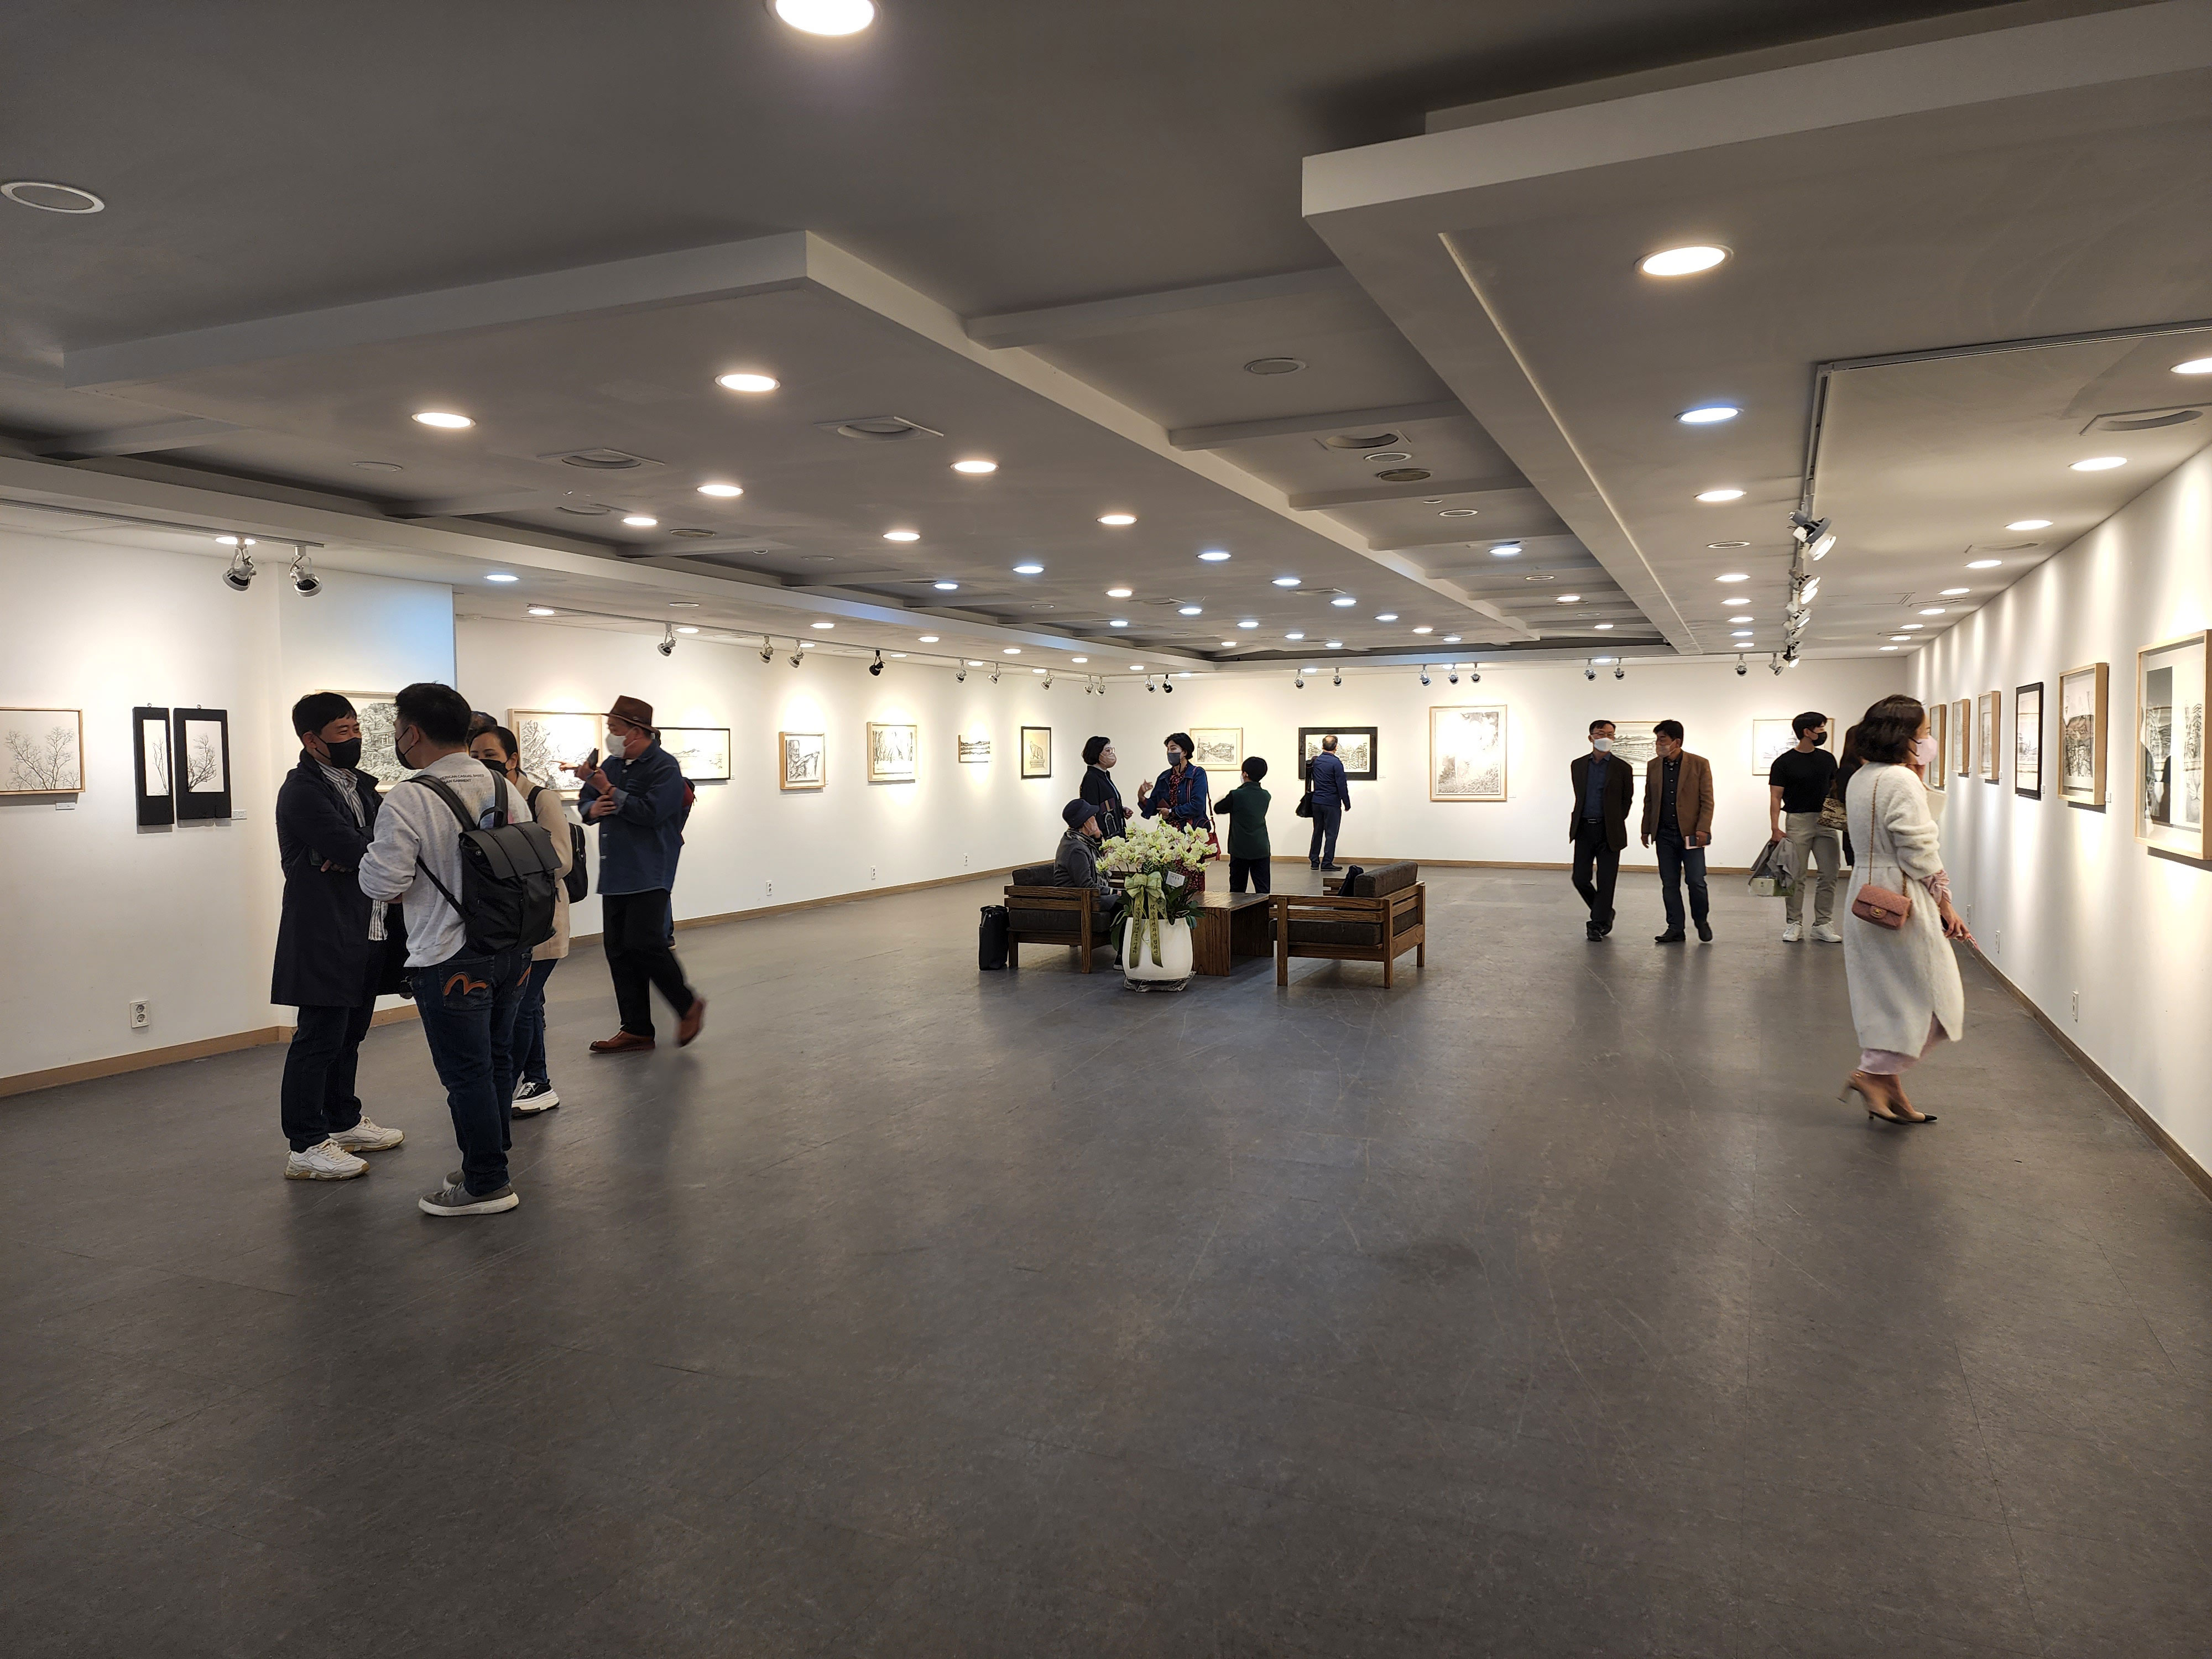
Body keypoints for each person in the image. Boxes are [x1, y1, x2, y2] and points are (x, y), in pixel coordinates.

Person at [357, 682, 534, 1217]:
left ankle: (486, 1182)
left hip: (448, 953)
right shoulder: (504, 787)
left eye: (396, 730)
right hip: (511, 948)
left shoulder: (410, 798)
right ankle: (489, 1159)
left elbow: (382, 883)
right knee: (497, 1059)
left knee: (466, 1073)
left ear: (412, 733)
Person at [272, 693, 406, 1180]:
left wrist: (360, 853)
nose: (355, 738)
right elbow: (354, 847)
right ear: (312, 740)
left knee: (351, 1033)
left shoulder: (360, 786)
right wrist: (359, 852)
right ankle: (305, 1144)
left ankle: (343, 1120)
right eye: (343, 732)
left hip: (369, 926)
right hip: (324, 931)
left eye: (356, 729)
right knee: (318, 1038)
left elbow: (390, 844)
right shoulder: (302, 792)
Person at [1839, 695, 1972, 1124]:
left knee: (1888, 998)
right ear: (1905, 737)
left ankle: (1888, 1085)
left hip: (1866, 893)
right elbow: (1918, 848)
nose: (1928, 740)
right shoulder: (1899, 780)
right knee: (1934, 1000)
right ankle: (1871, 1074)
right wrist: (1945, 901)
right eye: (1924, 733)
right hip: (1901, 896)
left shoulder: (1863, 776)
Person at [575, 695, 705, 1053]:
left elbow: (651, 813)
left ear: (636, 732)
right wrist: (593, 808)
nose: (610, 735)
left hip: (649, 868)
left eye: (615, 728)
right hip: (616, 869)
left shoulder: (665, 767)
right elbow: (585, 801)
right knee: (618, 949)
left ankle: (687, 1005)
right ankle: (636, 1028)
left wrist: (608, 790)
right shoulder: (613, 764)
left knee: (645, 943)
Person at [470, 724, 575, 1114]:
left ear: (513, 759)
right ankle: (536, 1079)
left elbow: (560, 860)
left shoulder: (539, 798)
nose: (482, 763)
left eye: (491, 756)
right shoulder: (481, 798)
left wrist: (504, 867)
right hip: (503, 922)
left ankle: (526, 1082)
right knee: (527, 1003)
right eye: (475, 757)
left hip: (539, 919)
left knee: (524, 1003)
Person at [1769, 711, 1842, 944]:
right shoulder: (1784, 763)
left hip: (1826, 821)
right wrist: (1775, 828)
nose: (1823, 732)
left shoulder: (1828, 759)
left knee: (1829, 874)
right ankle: (1794, 923)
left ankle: (1823, 924)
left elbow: (1835, 790)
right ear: (1807, 732)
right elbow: (1775, 797)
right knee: (1796, 875)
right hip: (1798, 821)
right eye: (1820, 728)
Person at [1640, 720, 1714, 945]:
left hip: (1691, 834)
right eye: (1657, 739)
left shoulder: (1699, 764)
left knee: (1696, 881)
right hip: (1664, 834)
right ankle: (1675, 928)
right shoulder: (1654, 766)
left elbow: (1707, 800)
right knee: (1669, 883)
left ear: (1677, 742)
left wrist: (1703, 828)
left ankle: (1701, 920)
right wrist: (1646, 829)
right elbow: (1649, 800)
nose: (1658, 744)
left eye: (1662, 739)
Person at [1568, 719, 1634, 941]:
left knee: (1607, 881)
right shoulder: (1578, 765)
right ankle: (1605, 913)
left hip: (1609, 831)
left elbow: (1627, 801)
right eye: (1600, 734)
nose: (1605, 738)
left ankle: (1596, 924)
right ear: (1591, 738)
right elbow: (1580, 796)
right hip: (1584, 829)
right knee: (1580, 878)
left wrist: (1614, 821)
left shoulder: (1623, 768)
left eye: (1610, 734)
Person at [1052, 797, 1121, 963]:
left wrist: (1098, 837)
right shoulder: (1076, 849)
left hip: (1084, 896)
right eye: (1093, 817)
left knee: (1126, 898)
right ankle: (1123, 956)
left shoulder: (1078, 840)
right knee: (1123, 902)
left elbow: (1093, 864)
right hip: (1078, 900)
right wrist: (1114, 892)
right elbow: (1087, 885)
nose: (1096, 819)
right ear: (1085, 823)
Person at [1214, 757, 1272, 894]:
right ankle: (1264, 908)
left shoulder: (1236, 795)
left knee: (1237, 890)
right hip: (1261, 847)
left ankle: (1239, 909)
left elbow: (1218, 808)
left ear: (1245, 774)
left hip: (1240, 848)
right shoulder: (1266, 795)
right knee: (1263, 889)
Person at [1139, 731, 1212, 832]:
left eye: (1173, 749)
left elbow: (1198, 806)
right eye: (1168, 749)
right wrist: (1141, 797)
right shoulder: (1164, 777)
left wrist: (1171, 812)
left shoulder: (1197, 774)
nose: (1169, 753)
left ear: (1185, 752)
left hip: (1192, 833)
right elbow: (1154, 808)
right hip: (1168, 833)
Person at [1304, 735, 1350, 871]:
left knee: (1317, 831)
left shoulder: (1316, 761)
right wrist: (1346, 802)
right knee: (1331, 834)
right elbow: (1342, 785)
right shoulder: (1336, 763)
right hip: (1332, 803)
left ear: (1323, 746)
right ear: (1336, 747)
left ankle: (1314, 861)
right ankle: (1327, 863)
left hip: (1317, 802)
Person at [1079, 736, 1128, 840]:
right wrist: (1099, 837)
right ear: (1097, 754)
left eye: (1112, 750)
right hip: (1105, 838)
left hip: (1116, 834)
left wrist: (1120, 809)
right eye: (1107, 751)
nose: (1112, 753)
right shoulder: (1091, 779)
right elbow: (1092, 811)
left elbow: (1106, 802)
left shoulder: (1104, 775)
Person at [1832, 722, 1866, 869]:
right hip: (1856, 829)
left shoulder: (1856, 768)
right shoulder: (1848, 769)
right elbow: (1846, 799)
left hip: (1859, 828)